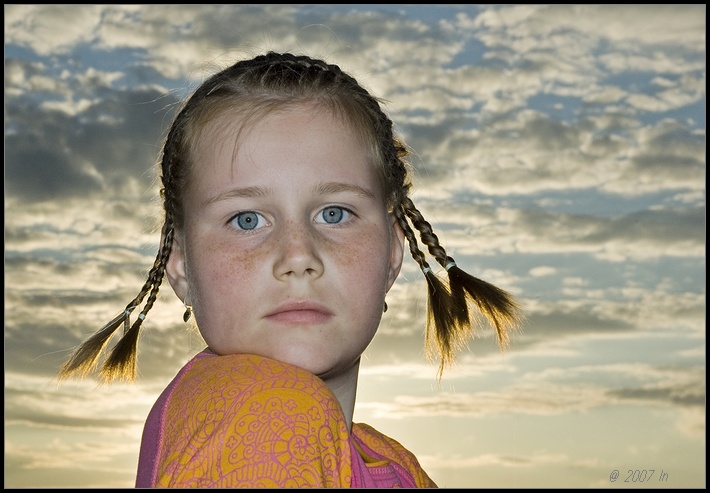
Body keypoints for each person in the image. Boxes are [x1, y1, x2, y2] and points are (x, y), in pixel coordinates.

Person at [58, 51, 522, 488]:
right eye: (247, 220)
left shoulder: (389, 461)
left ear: (393, 252)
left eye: (334, 213)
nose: (298, 255)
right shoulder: (265, 415)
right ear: (181, 265)